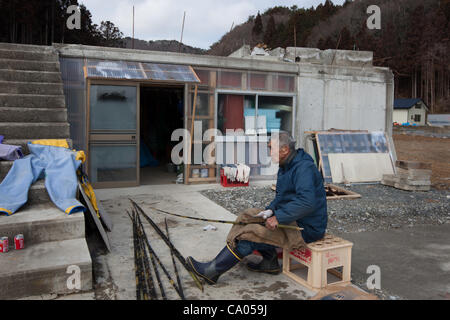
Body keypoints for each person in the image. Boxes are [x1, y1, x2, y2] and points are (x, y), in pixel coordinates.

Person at [187, 131, 327, 285]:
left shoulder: (303, 168)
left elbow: (307, 202)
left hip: (305, 228)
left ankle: (211, 271)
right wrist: (270, 210)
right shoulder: (285, 165)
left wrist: (278, 217)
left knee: (252, 233)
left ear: (284, 150)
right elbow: (281, 196)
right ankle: (270, 262)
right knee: (248, 216)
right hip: (292, 218)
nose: (269, 152)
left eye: (271, 148)